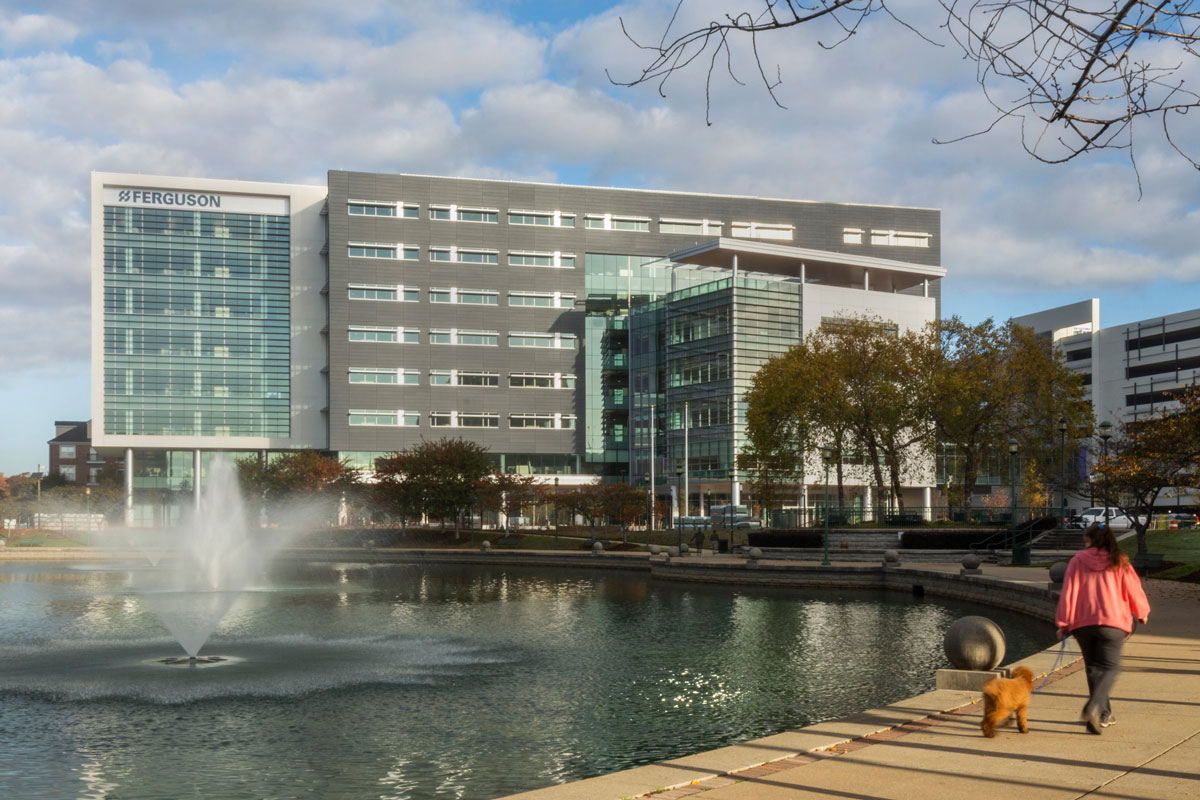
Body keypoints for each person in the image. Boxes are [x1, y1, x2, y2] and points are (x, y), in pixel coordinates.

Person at [1055, 522, 1150, 734]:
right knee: (1110, 668)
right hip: (1113, 622)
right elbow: (1133, 588)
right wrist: (1142, 612)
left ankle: (1102, 713)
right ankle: (1095, 707)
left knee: (1093, 669)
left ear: (1089, 540)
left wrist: (1063, 623)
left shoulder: (1078, 560)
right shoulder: (1119, 560)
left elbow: (1069, 592)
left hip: (1083, 624)